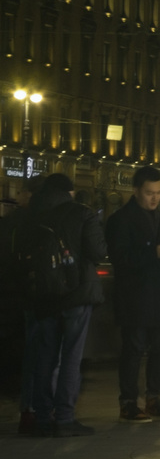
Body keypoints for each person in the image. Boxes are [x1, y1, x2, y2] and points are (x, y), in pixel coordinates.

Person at [19, 174, 107, 435]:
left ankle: (43, 417)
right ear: (69, 191)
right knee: (71, 356)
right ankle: (65, 418)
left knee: (45, 357)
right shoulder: (81, 213)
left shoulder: (30, 214)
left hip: (43, 294)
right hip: (76, 294)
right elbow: (98, 252)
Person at [106, 166, 160, 423]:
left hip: (159, 293)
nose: (154, 198)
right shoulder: (121, 220)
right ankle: (128, 402)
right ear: (136, 191)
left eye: (158, 193)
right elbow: (119, 257)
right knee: (133, 348)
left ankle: (154, 398)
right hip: (134, 295)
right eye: (149, 193)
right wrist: (152, 254)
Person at [2, 176, 44, 434]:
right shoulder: (34, 222)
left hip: (12, 295)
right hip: (25, 296)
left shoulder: (13, 222)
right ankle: (30, 409)